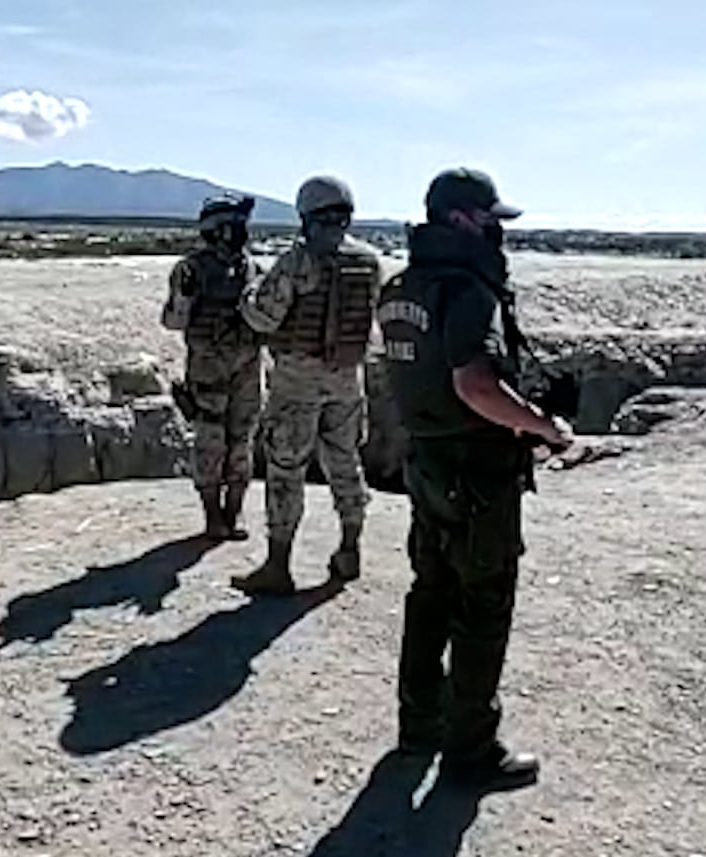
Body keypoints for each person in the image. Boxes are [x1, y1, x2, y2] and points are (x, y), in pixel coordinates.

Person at [376, 167, 571, 791]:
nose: (498, 234)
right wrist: (542, 427)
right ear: (462, 219)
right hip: (477, 473)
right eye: (491, 220)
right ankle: (471, 750)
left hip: (428, 462)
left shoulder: (403, 286)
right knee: (482, 606)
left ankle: (419, 725)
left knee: (429, 592)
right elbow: (474, 384)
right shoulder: (467, 291)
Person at [231, 175, 383, 595]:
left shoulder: (298, 261)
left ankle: (278, 567)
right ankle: (350, 549)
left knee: (285, 470)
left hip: (297, 380)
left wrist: (247, 294)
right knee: (346, 463)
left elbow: (263, 317)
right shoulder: (369, 259)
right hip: (348, 379)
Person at [161, 194, 264, 541]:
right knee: (209, 443)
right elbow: (174, 322)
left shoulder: (251, 267)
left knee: (242, 441)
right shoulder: (191, 269)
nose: (241, 233)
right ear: (216, 230)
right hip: (208, 370)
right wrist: (185, 297)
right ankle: (212, 520)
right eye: (234, 226)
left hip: (247, 368)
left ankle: (232, 516)